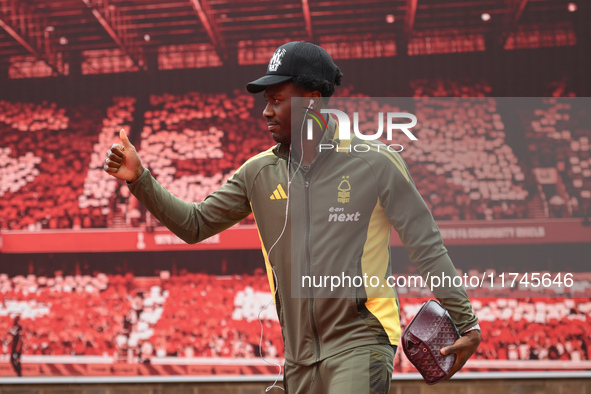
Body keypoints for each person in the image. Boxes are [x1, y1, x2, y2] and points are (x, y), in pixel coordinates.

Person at [104, 41, 480, 393]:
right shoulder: (257, 172)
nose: (265, 111)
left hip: (360, 340)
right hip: (296, 359)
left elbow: (425, 245)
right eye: (267, 101)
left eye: (277, 100)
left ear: (311, 102)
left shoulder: (375, 162)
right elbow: (195, 225)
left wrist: (467, 322)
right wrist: (140, 179)